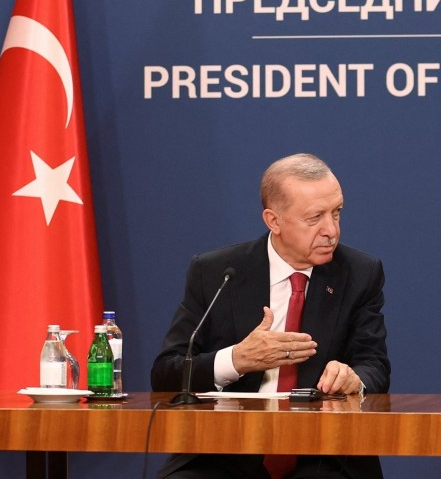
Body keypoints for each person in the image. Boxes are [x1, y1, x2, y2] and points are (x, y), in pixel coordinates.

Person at [151, 153, 390, 479]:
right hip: (228, 448)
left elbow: (375, 366)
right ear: (273, 220)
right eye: (314, 218)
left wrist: (354, 378)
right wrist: (236, 359)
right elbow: (166, 373)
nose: (331, 230)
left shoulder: (360, 273)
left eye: (337, 213)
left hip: (324, 451)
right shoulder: (216, 273)